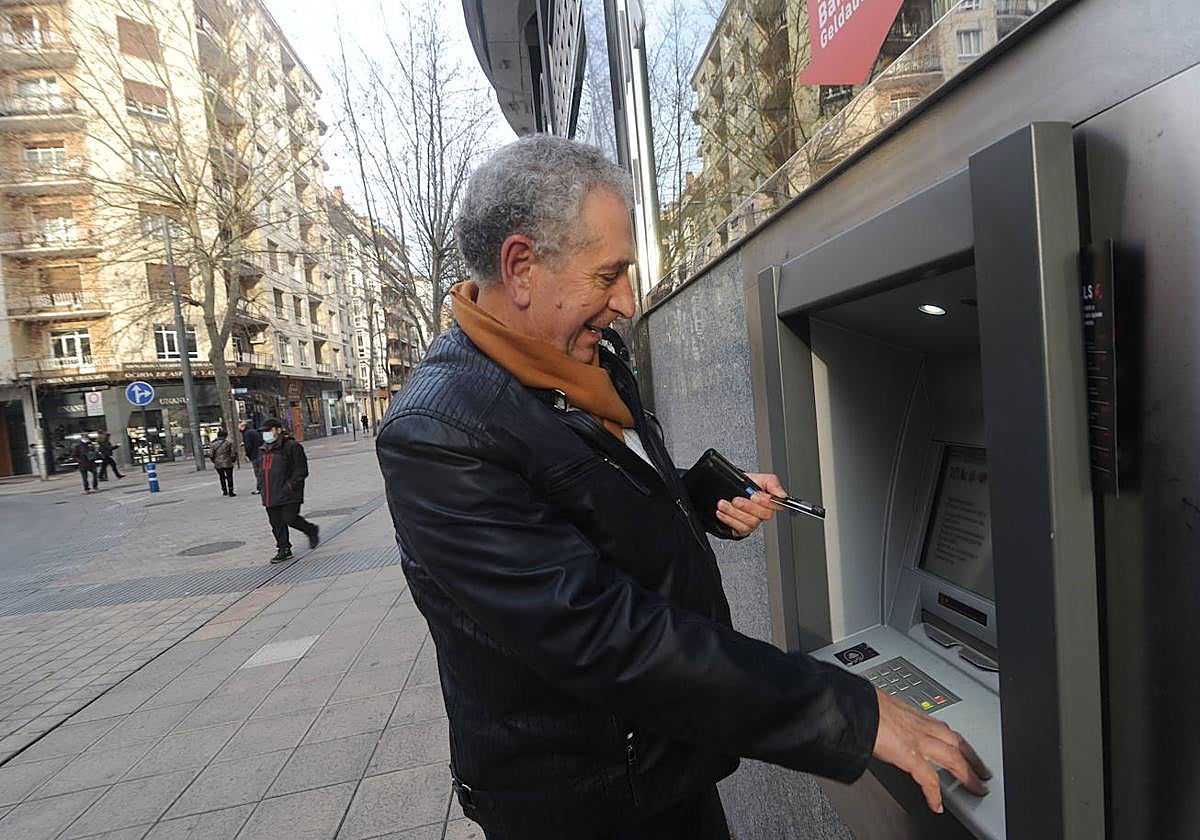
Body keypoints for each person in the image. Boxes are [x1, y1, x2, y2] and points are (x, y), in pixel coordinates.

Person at [375, 136, 990, 840]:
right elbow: (604, 637)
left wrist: (699, 498)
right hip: (586, 802)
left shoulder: (582, 358)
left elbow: (592, 496)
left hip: (662, 760)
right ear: (520, 267)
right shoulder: (439, 435)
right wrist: (851, 713)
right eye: (608, 275)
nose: (626, 302)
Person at [257, 417, 319, 563]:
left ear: (278, 430)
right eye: (264, 431)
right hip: (269, 493)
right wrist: (260, 486)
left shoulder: (291, 446)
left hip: (289, 492)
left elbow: (301, 470)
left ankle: (310, 530)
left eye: (269, 430)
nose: (266, 434)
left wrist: (290, 486)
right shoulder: (263, 449)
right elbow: (260, 470)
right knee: (276, 523)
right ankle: (284, 549)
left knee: (290, 519)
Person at [210, 429, 237, 496]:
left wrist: (214, 461)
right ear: (225, 436)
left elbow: (211, 455)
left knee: (221, 477)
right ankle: (231, 491)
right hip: (228, 462)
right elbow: (233, 453)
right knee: (229, 476)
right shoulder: (229, 443)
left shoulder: (213, 444)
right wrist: (233, 460)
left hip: (218, 463)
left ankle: (224, 490)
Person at [240, 420, 263, 495]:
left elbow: (249, 446)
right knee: (261, 471)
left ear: (243, 426)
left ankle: (260, 488)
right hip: (260, 453)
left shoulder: (246, 434)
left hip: (255, 454)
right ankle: (262, 487)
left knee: (258, 472)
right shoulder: (253, 431)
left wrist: (247, 454)